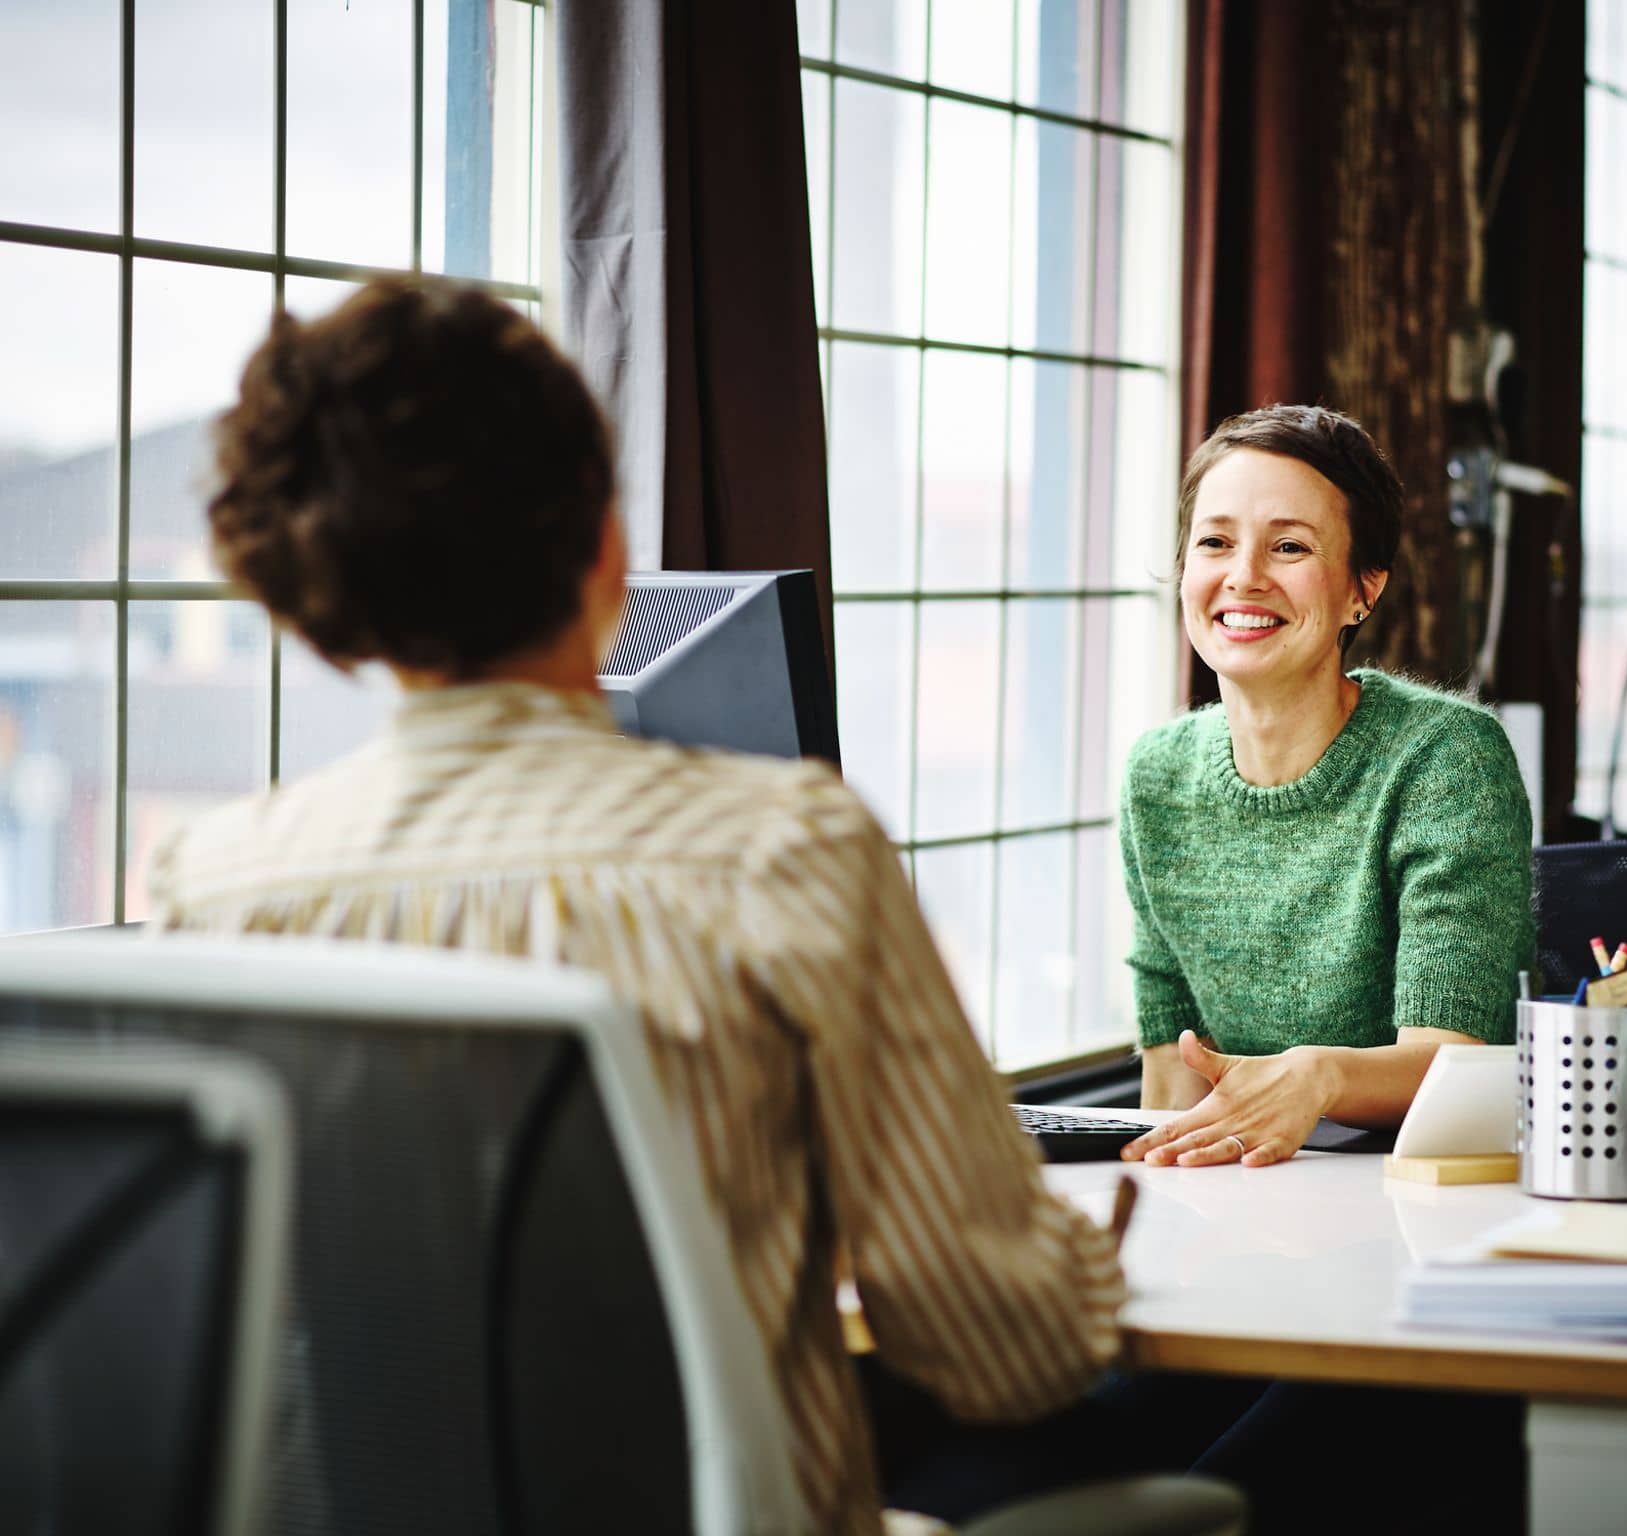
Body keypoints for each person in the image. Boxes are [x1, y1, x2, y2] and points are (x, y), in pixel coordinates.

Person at [147, 279, 1125, 1536]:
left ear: (324, 616)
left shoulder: (214, 889)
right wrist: (1086, 1255)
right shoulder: (784, 851)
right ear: (607, 550)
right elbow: (1004, 1351)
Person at [1117, 403, 1535, 1166]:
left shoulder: (1447, 759)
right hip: (1251, 1192)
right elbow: (1171, 1081)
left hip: (1427, 1193)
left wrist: (1319, 1074)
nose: (1243, 577)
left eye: (1289, 547)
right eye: (1214, 541)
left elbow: (1454, 1062)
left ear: (1362, 591)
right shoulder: (1157, 777)